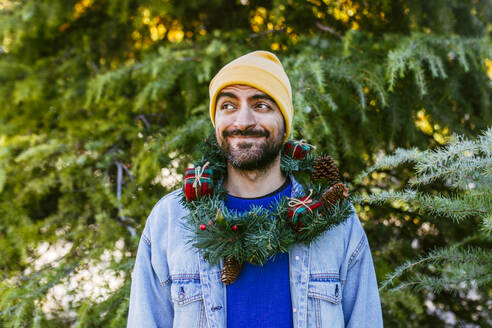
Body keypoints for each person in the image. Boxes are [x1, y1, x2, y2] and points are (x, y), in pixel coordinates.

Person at [127, 50, 383, 328]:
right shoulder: (170, 220)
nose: (243, 121)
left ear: (284, 122)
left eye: (261, 105)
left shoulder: (333, 221)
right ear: (216, 121)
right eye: (228, 105)